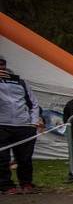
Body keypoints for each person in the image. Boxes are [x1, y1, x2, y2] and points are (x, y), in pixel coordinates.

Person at [0, 56, 43, 194]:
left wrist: (33, 122)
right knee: (2, 157)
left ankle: (26, 183)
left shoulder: (20, 82)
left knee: (25, 157)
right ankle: (6, 185)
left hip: (23, 125)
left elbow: (33, 103)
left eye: (2, 64)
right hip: (2, 124)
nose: (1, 67)